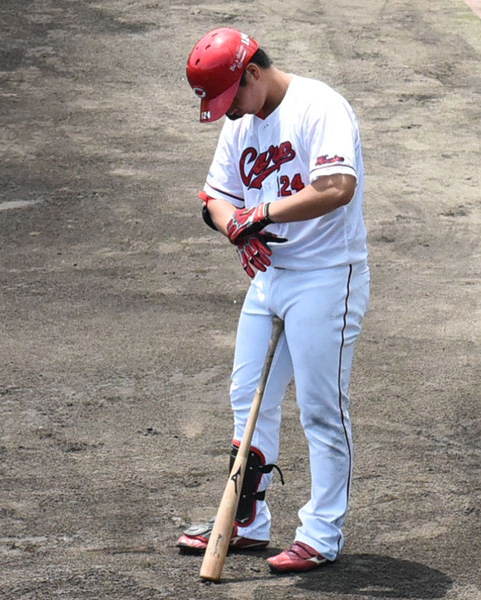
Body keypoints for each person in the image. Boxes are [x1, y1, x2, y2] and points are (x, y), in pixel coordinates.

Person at [176, 27, 371, 574]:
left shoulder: (320, 106)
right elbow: (214, 198)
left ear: (254, 72)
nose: (229, 112)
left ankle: (322, 533)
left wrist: (260, 215)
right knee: (246, 397)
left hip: (328, 277)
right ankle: (245, 521)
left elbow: (336, 187)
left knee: (321, 408)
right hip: (270, 279)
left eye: (231, 97)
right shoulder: (242, 123)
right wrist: (235, 230)